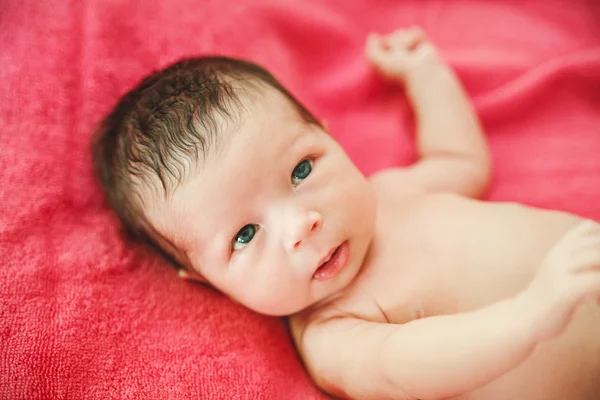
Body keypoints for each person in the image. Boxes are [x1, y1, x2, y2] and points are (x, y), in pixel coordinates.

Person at [92, 27, 600, 399]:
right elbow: (418, 363)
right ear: (203, 279)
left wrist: (426, 76)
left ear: (330, 136)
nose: (301, 224)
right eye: (245, 234)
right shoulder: (332, 333)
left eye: (300, 171)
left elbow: (460, 160)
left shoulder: (392, 193)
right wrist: (531, 315)